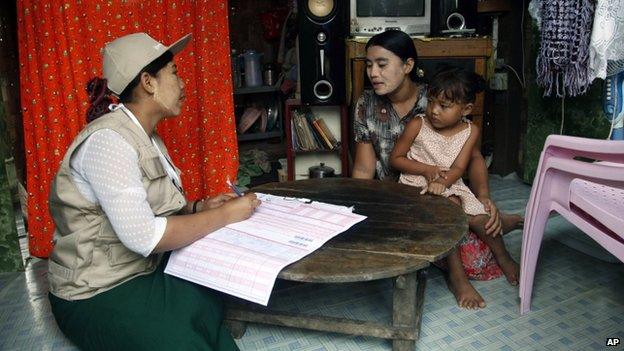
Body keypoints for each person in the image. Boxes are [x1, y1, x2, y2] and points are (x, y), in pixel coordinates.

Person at [46, 32, 259, 350]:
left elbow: (151, 206)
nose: (183, 83)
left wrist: (199, 207)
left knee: (208, 301)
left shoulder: (147, 137)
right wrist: (226, 215)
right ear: (148, 82)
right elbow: (144, 236)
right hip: (97, 289)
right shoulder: (109, 143)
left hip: (143, 270)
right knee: (181, 340)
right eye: (174, 73)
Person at [351, 30, 521, 309]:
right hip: (401, 195)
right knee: (435, 246)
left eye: (382, 64)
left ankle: (500, 221)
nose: (373, 72)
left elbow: (474, 158)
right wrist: (359, 210)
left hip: (448, 190)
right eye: (369, 65)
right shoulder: (366, 104)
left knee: (473, 234)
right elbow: (363, 167)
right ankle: (504, 222)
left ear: (407, 66)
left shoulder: (436, 96)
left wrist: (484, 197)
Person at [390, 67, 521, 309]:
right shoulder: (418, 125)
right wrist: (428, 171)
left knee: (481, 218)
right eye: (431, 102)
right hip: (416, 184)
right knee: (449, 213)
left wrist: (444, 183)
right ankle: (457, 278)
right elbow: (396, 159)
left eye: (444, 105)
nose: (434, 110)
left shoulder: (471, 131)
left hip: (452, 183)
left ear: (466, 109)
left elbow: (460, 167)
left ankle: (505, 258)